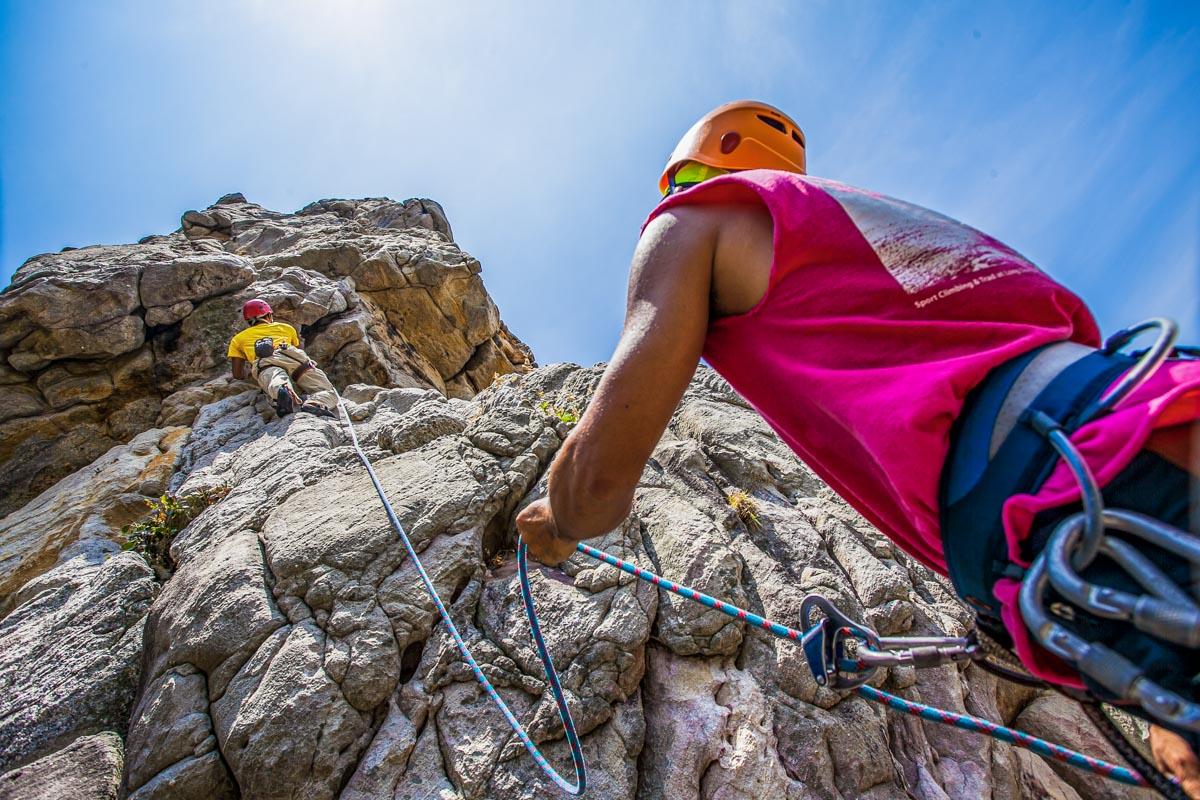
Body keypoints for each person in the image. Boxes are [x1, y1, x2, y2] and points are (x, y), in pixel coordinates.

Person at [516, 100, 1200, 794]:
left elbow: (599, 477)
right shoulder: (873, 223)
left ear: (691, 168)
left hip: (1079, 499)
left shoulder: (698, 217)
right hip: (1143, 418)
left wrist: (559, 521)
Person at [227, 298, 338, 418]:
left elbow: (237, 374)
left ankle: (283, 390)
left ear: (248, 320)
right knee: (327, 391)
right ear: (269, 315)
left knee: (275, 379)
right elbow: (298, 349)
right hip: (294, 358)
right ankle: (316, 403)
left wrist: (251, 374)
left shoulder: (238, 339)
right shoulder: (286, 328)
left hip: (266, 361)